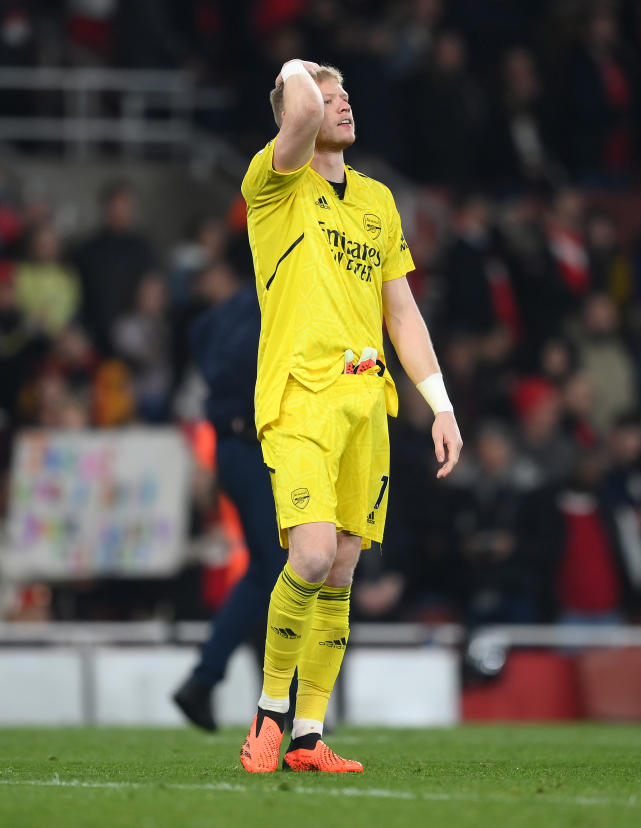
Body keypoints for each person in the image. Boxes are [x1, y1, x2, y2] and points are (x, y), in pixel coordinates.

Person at [237, 59, 462, 774]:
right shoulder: (273, 184)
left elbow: (403, 311)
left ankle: (307, 736)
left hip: (368, 406)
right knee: (307, 554)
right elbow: (297, 109)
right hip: (300, 396)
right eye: (327, 97)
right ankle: (269, 714)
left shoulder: (377, 202)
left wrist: (441, 406)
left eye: (347, 95)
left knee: (338, 571)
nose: (341, 106)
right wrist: (295, 71)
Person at [171, 261, 289, 732]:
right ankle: (283, 702)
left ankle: (205, 681)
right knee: (280, 569)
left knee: (269, 569)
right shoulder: (262, 306)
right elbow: (243, 367)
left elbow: (205, 352)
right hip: (253, 444)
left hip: (235, 445)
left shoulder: (217, 319)